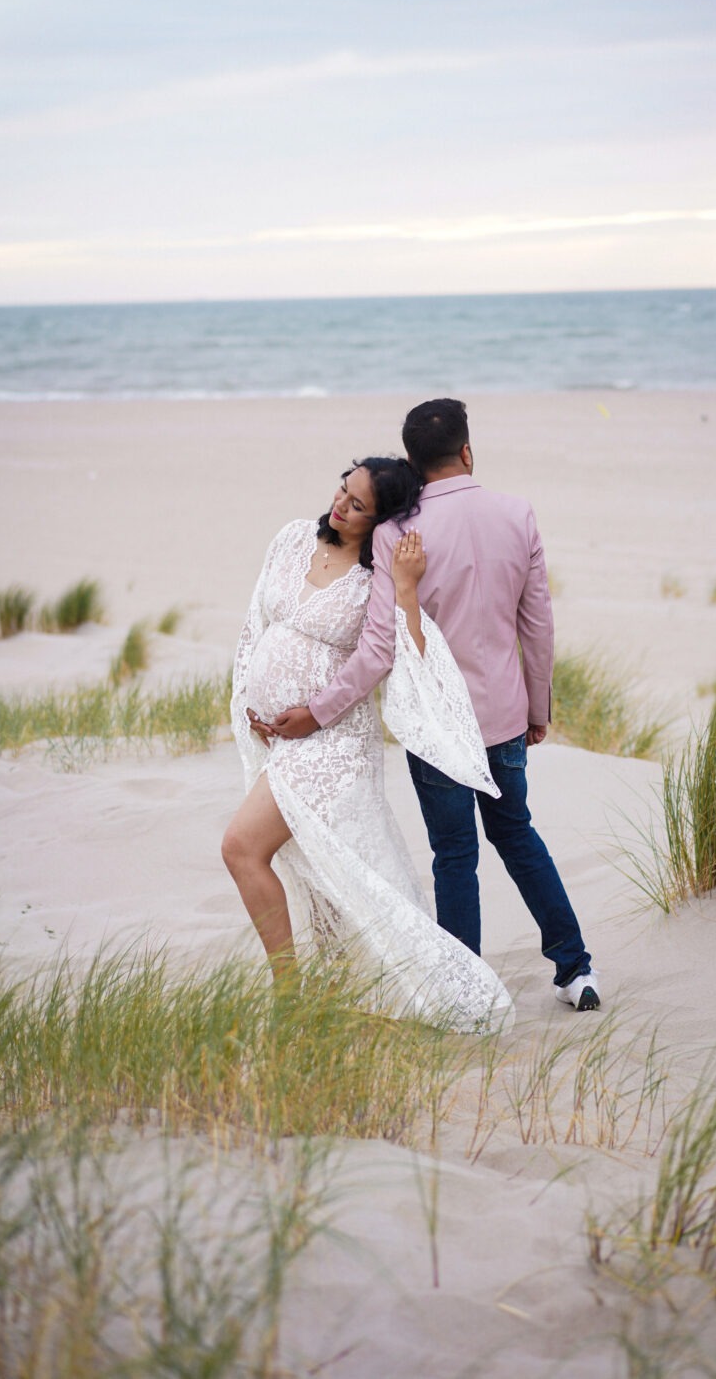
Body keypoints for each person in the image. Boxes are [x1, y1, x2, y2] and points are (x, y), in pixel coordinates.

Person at [274, 402, 599, 1011]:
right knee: (518, 837)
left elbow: (378, 649)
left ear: (416, 467)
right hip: (503, 718)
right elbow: (539, 623)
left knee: (455, 857)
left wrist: (317, 712)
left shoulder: (398, 533)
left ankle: (464, 994)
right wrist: (537, 707)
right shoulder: (517, 513)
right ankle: (576, 969)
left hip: (436, 726)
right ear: (468, 452)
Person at [222, 455, 512, 1033]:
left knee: (240, 848)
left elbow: (387, 657)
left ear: (381, 520)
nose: (340, 506)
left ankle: (290, 998)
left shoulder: (376, 574)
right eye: (342, 490)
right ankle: (329, 992)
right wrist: (251, 700)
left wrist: (404, 588)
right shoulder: (291, 538)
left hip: (332, 744)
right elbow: (259, 619)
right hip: (281, 736)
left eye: (358, 506)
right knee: (322, 870)